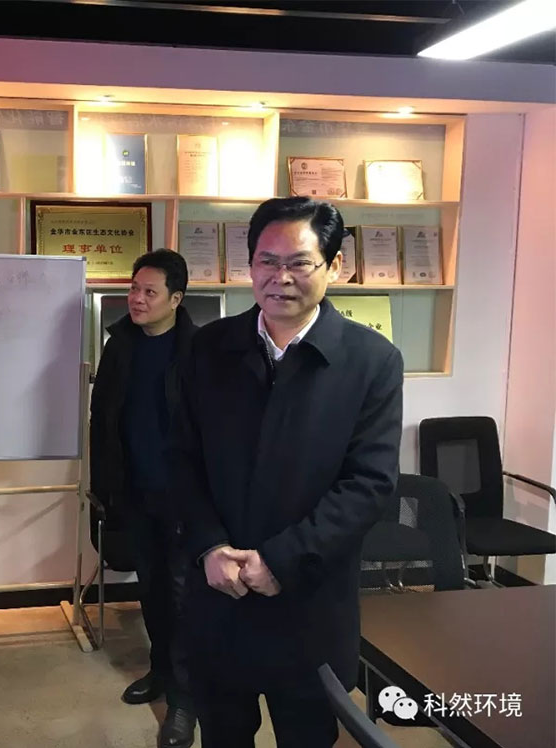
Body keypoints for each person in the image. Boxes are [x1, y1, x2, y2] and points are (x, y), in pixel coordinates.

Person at [171, 197, 404, 748]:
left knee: (308, 736)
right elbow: (180, 458)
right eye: (266, 261)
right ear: (249, 264)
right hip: (219, 595)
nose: (280, 278)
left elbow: (369, 483)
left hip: (309, 604)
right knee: (223, 735)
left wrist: (280, 560)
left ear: (334, 265)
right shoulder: (208, 348)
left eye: (299, 262)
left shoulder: (371, 361)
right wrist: (208, 546)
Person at [90, 249, 198, 748]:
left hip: (185, 500)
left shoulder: (199, 351)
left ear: (176, 299)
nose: (136, 299)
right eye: (134, 289)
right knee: (151, 591)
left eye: (149, 292)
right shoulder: (121, 346)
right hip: (135, 493)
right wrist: (104, 489)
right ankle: (160, 669)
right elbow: (102, 421)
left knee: (183, 599)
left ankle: (185, 699)